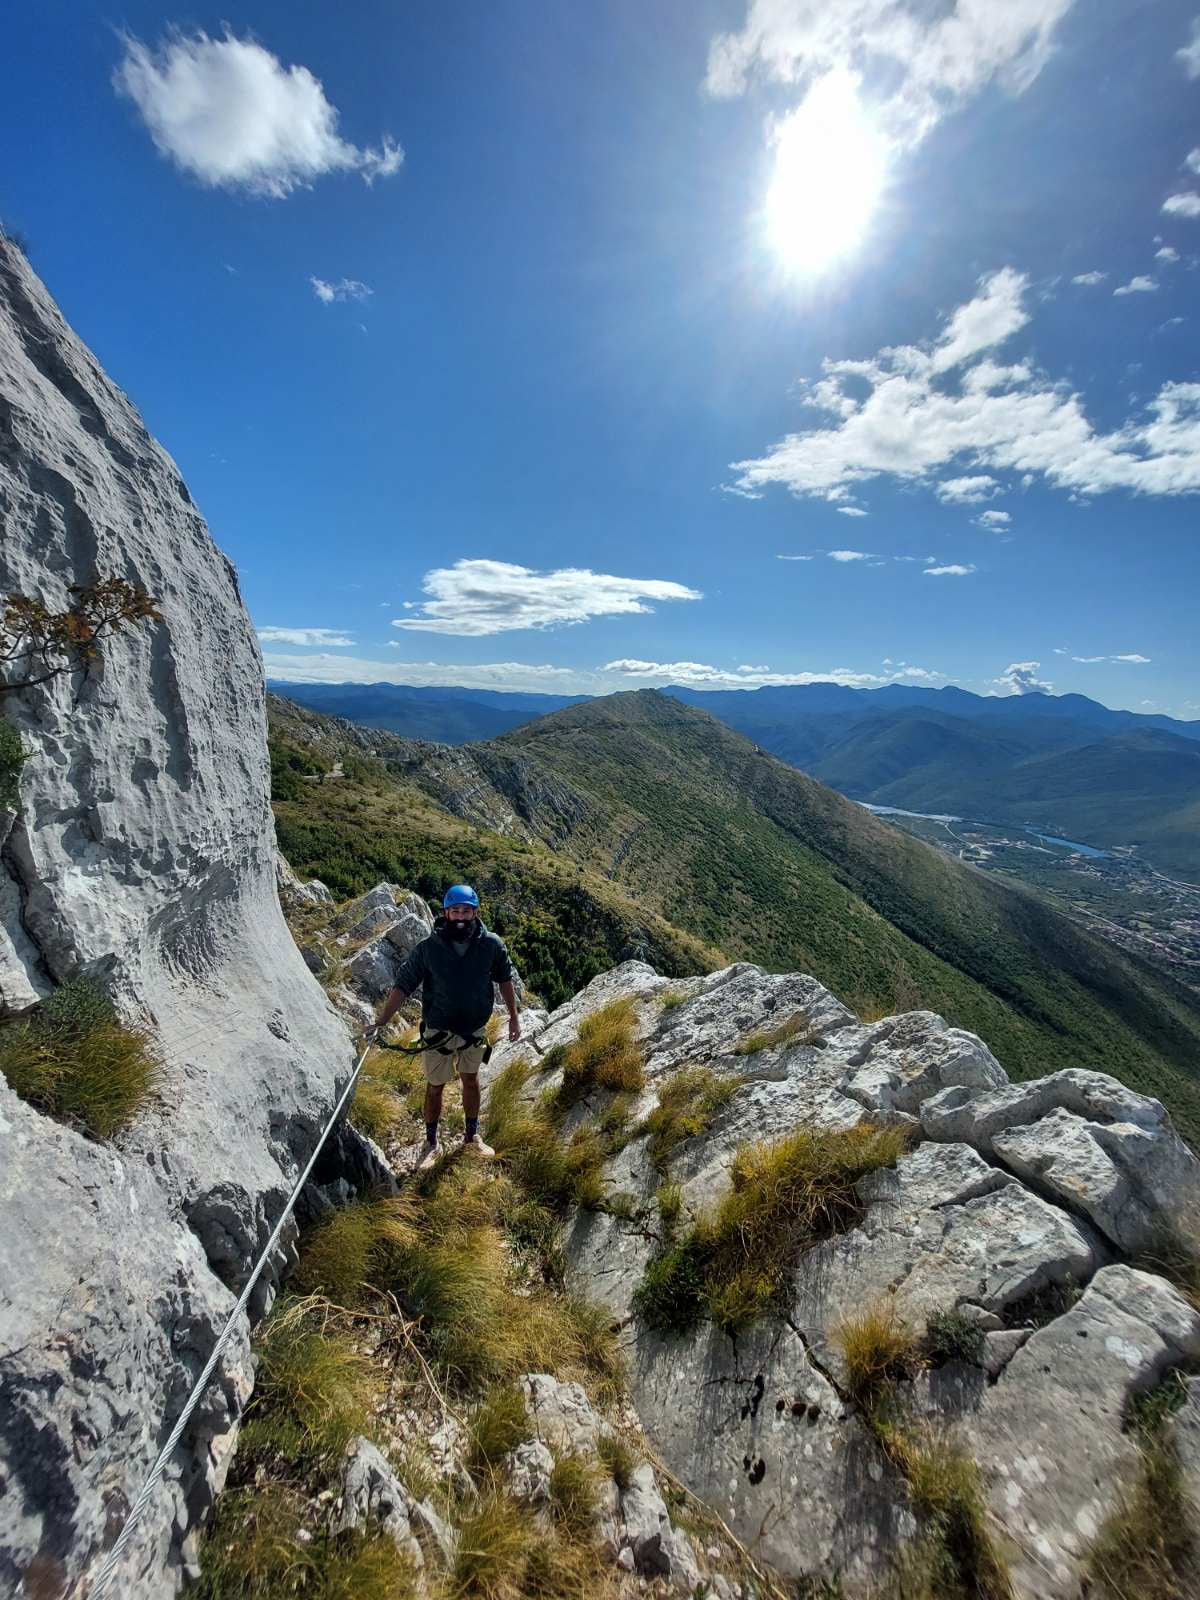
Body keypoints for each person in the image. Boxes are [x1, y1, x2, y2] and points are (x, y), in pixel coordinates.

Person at [368, 884, 520, 1170]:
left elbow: (505, 979)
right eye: (455, 911)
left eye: (466, 910)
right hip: (438, 1031)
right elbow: (403, 985)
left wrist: (513, 1016)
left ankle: (472, 1136)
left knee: (470, 1080)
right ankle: (430, 1142)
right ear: (446, 913)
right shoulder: (429, 949)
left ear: (475, 912)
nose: (460, 916)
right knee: (435, 1086)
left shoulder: (491, 945)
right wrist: (381, 1021)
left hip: (473, 1030)